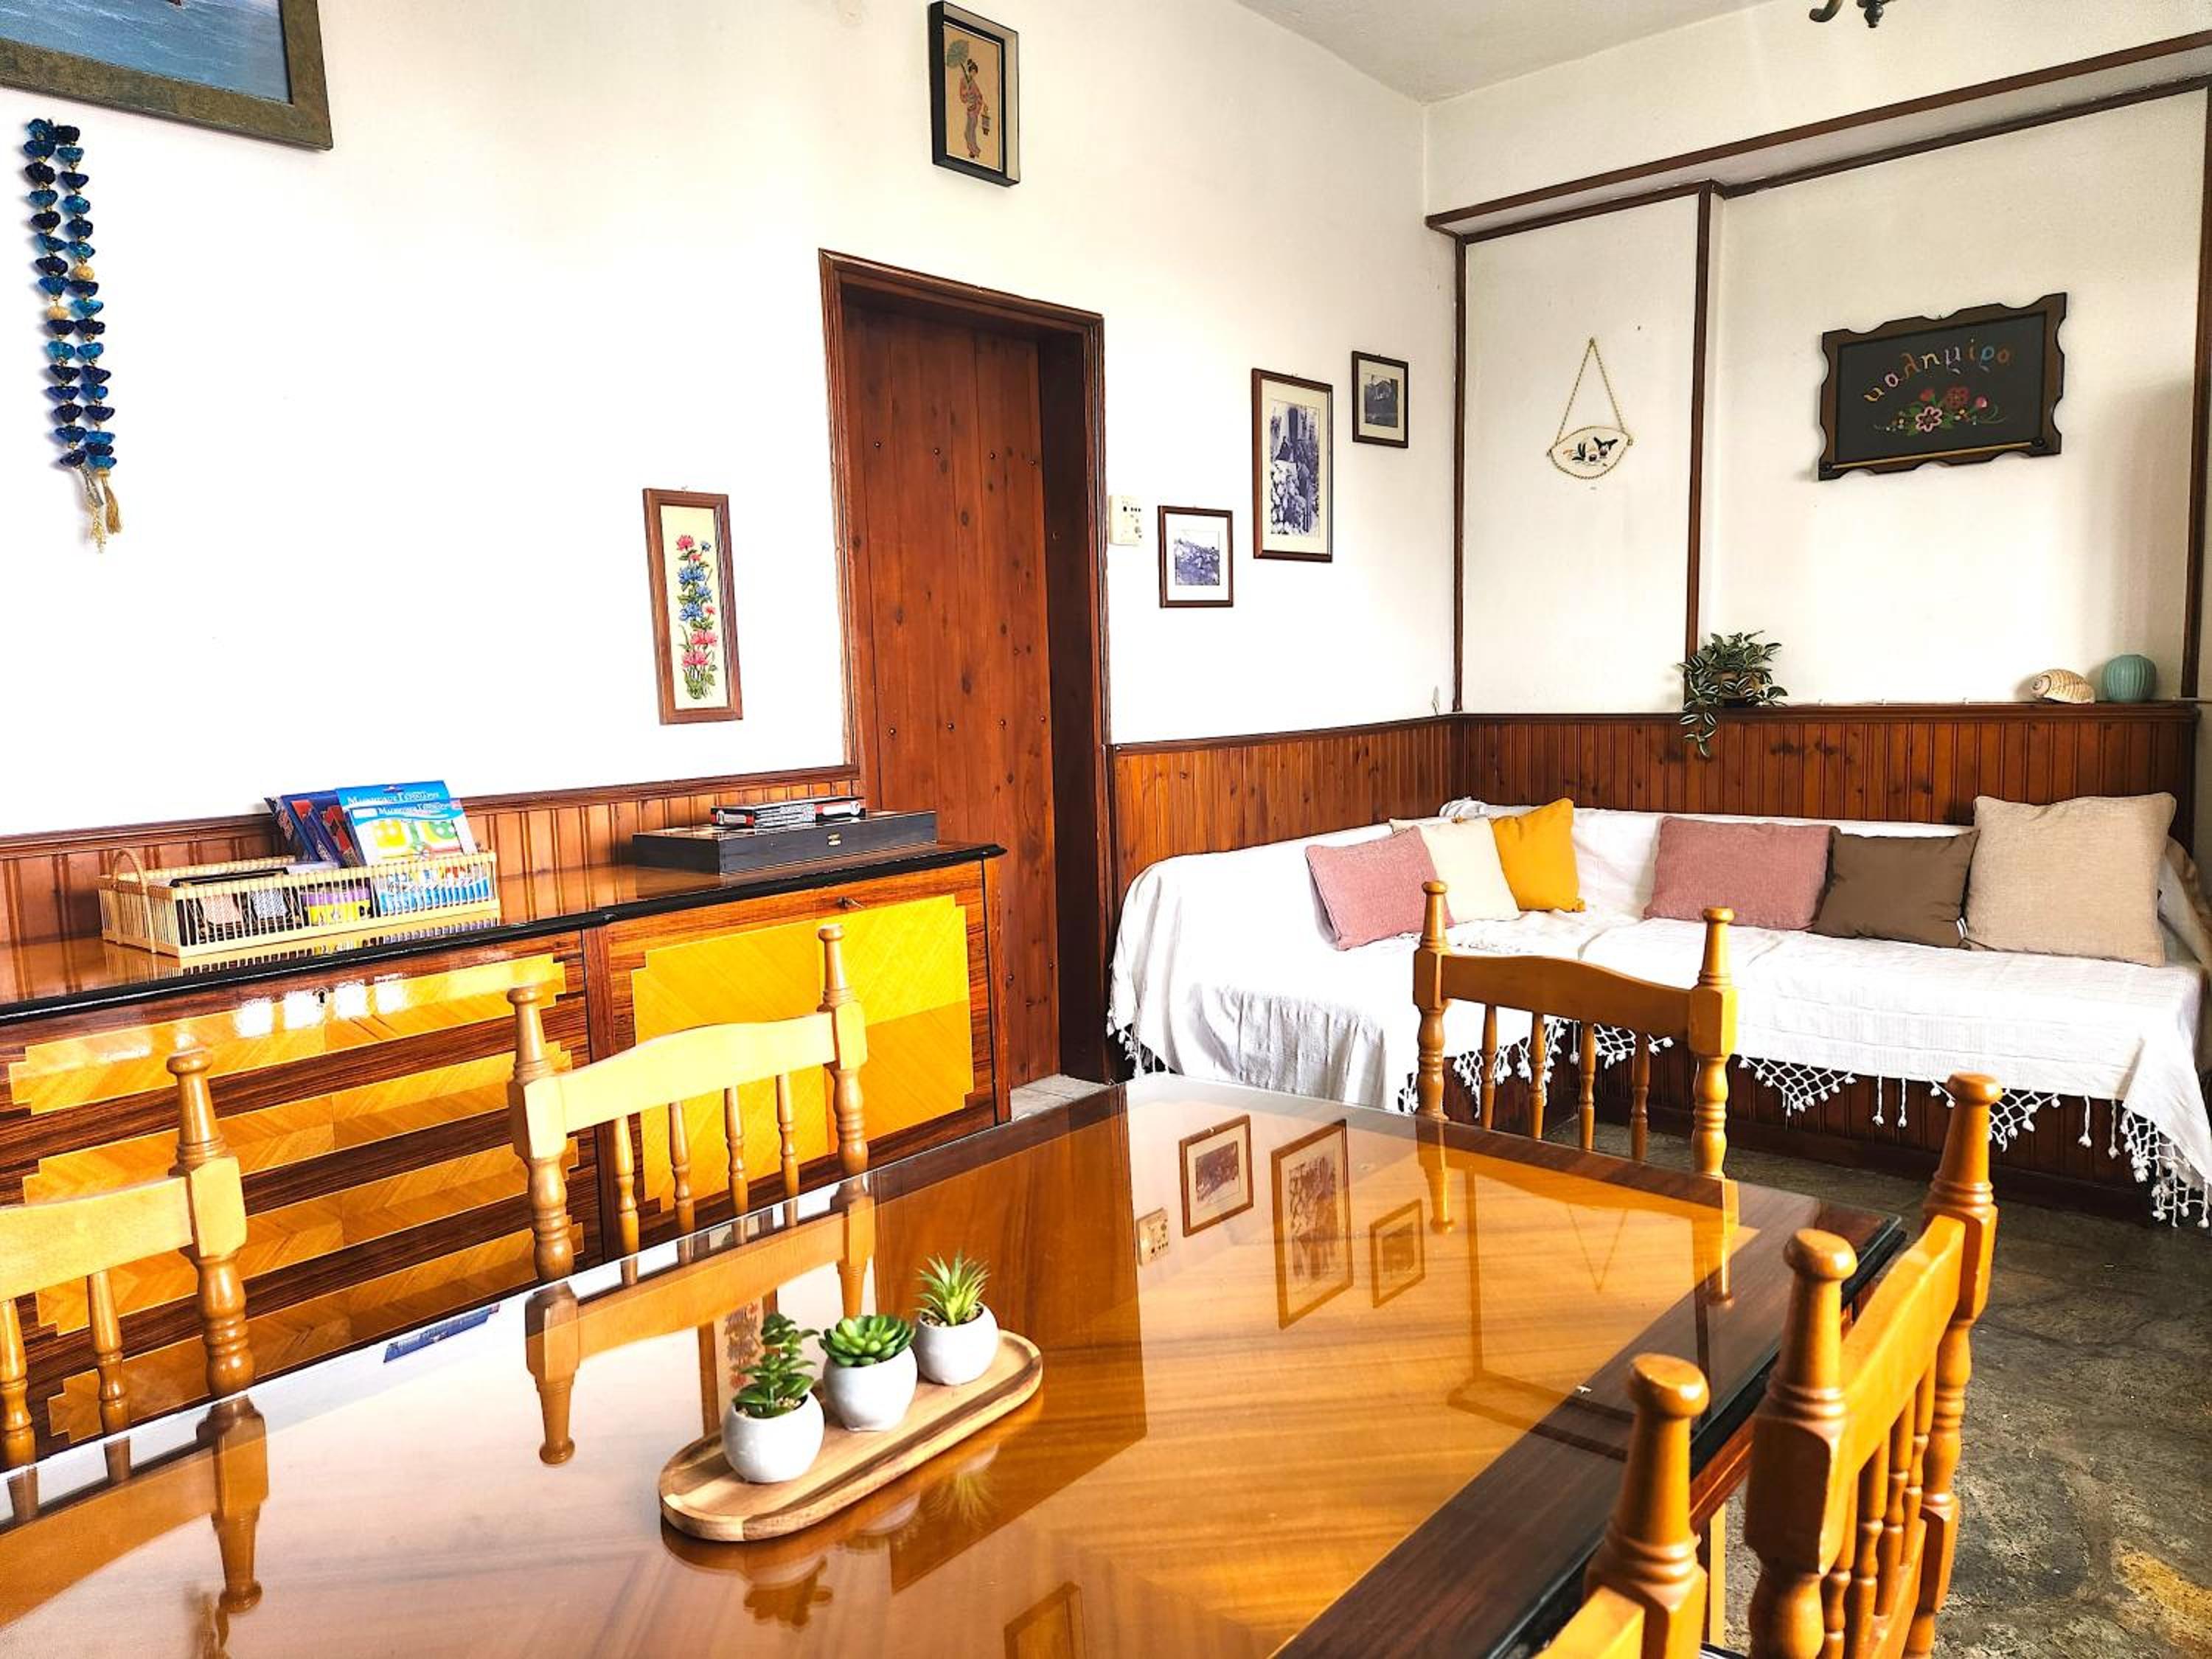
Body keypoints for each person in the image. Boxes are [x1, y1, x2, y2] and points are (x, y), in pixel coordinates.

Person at [958, 58, 991, 161]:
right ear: (970, 71)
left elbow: (979, 95)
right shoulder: (964, 81)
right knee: (968, 132)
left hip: (974, 109)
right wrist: (966, 92)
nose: (974, 74)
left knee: (971, 130)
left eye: (975, 73)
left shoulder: (973, 82)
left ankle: (974, 151)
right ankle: (973, 150)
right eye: (973, 72)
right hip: (969, 108)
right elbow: (962, 95)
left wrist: (980, 103)